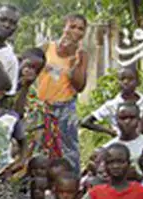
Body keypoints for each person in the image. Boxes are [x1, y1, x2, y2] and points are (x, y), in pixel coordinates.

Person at [37, 14, 89, 171]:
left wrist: (74, 63)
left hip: (65, 107)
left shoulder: (81, 55)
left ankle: (71, 182)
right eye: (72, 26)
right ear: (64, 27)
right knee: (39, 148)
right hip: (42, 107)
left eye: (80, 29)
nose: (76, 31)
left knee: (68, 150)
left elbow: (80, 86)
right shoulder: (47, 48)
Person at [80, 64, 143, 139]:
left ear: (138, 82)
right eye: (122, 79)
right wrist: (111, 132)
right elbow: (85, 122)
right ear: (118, 82)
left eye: (130, 79)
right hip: (121, 143)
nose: (126, 82)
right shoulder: (112, 105)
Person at [99, 102, 143, 171]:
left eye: (132, 118)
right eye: (123, 118)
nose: (127, 121)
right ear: (116, 121)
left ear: (139, 120)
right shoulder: (108, 148)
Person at [0, 5, 20, 94]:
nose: (6, 25)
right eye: (2, 20)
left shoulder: (11, 60)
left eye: (12, 23)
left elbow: (8, 93)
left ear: (16, 28)